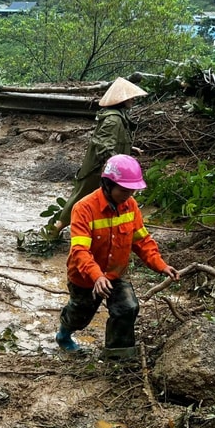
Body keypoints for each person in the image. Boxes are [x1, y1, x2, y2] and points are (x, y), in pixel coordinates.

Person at [55, 154, 179, 359]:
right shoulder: (84, 208)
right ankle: (64, 334)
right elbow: (80, 251)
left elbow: (142, 241)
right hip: (84, 277)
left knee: (128, 308)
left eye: (132, 190)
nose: (128, 195)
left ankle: (117, 357)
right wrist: (96, 276)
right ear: (107, 184)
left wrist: (161, 265)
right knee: (80, 316)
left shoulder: (130, 207)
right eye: (123, 190)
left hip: (115, 274)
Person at [48, 76, 148, 238]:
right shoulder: (113, 120)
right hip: (98, 170)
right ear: (122, 100)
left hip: (106, 169)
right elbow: (104, 147)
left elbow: (113, 142)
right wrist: (119, 165)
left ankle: (95, 233)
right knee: (79, 201)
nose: (133, 100)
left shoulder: (118, 118)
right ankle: (52, 233)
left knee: (98, 202)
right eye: (130, 97)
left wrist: (130, 149)